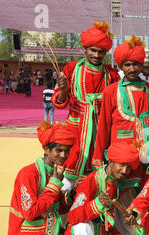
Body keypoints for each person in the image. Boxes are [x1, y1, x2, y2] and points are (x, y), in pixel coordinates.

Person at [51, 21, 120, 188]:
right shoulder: (71, 69)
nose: (96, 55)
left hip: (101, 133)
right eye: (93, 50)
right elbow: (58, 102)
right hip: (75, 132)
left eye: (101, 52)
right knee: (65, 183)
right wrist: (63, 91)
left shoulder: (111, 74)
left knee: (96, 183)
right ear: (85, 49)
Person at [66, 141, 141, 235]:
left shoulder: (116, 179)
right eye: (122, 165)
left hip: (102, 230)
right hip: (82, 230)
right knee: (83, 226)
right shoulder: (90, 181)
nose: (125, 171)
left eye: (129, 167)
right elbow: (73, 216)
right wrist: (97, 204)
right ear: (111, 162)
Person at [92, 35, 149, 180]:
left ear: (142, 65)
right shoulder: (111, 91)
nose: (132, 69)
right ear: (120, 67)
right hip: (121, 155)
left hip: (146, 154)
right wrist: (98, 157)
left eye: (136, 64)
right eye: (127, 65)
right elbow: (104, 126)